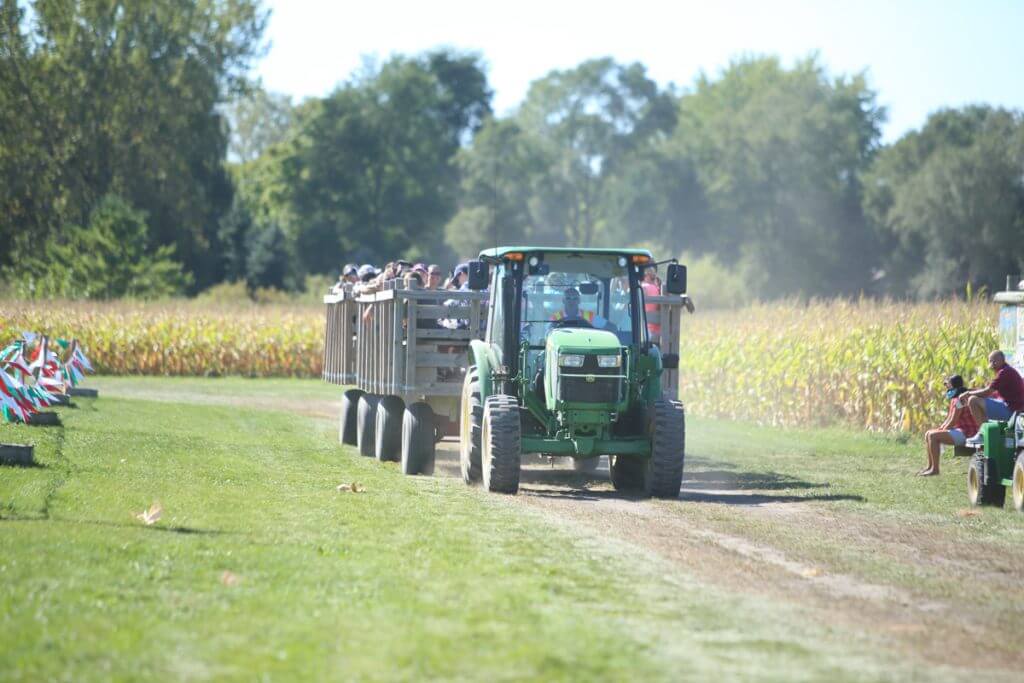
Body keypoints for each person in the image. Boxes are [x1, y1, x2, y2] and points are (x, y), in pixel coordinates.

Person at [920, 375, 978, 476]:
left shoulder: (960, 400)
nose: (946, 386)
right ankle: (930, 467)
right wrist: (941, 428)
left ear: (953, 385)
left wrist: (941, 430)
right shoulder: (956, 398)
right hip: (961, 431)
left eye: (948, 384)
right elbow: (949, 418)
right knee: (928, 433)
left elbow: (953, 421)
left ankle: (935, 469)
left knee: (933, 436)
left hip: (967, 433)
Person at [963, 350, 1024, 445]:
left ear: (1002, 360)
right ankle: (987, 432)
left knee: (973, 400)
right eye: (990, 361)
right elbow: (991, 393)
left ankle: (984, 434)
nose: (992, 364)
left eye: (995, 361)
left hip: (1013, 411)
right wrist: (973, 391)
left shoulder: (1004, 372)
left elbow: (987, 392)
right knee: (977, 400)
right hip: (1012, 408)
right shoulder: (1007, 370)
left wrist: (968, 394)